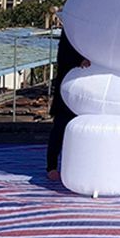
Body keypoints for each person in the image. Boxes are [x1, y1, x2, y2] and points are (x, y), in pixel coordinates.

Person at [46, 26, 90, 182]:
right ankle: (52, 167)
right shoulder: (72, 30)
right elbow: (63, 57)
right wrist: (80, 61)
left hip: (88, 90)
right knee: (61, 127)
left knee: (84, 131)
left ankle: (78, 166)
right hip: (69, 87)